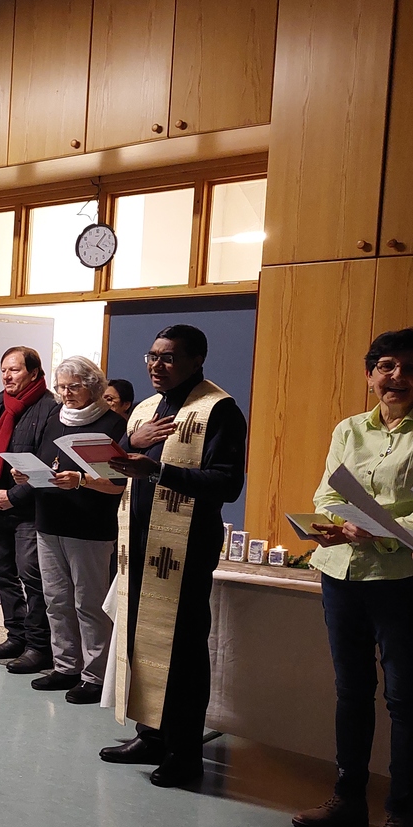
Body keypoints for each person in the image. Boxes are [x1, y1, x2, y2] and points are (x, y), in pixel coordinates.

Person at [294, 327, 413, 827]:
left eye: (409, 367)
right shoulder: (349, 429)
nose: (395, 376)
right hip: (341, 574)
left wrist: (378, 530)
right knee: (351, 691)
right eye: (385, 366)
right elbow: (327, 491)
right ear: (369, 374)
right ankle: (348, 800)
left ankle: (401, 815)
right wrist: (333, 524)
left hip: (405, 581)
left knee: (404, 697)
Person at [99, 324, 246, 790]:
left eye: (168, 357)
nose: (156, 365)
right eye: (152, 356)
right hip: (138, 542)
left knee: (180, 650)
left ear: (196, 360)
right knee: (140, 642)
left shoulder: (218, 409)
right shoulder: (145, 409)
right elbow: (114, 469)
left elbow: (227, 483)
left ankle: (184, 752)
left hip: (184, 547)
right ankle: (151, 735)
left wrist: (158, 470)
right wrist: (131, 446)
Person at [11, 356, 125, 704]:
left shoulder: (110, 424)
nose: (66, 394)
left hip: (88, 526)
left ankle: (95, 676)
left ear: (93, 386)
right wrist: (27, 474)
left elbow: (117, 484)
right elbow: (48, 463)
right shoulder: (54, 418)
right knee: (56, 600)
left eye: (73, 387)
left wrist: (82, 481)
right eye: (61, 387)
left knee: (88, 604)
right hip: (49, 520)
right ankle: (66, 666)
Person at [0, 346, 58, 672]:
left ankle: (38, 646)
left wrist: (13, 496)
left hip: (28, 510)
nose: (6, 376)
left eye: (14, 370)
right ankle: (15, 636)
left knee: (32, 578)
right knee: (3, 575)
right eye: (3, 369)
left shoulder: (51, 408)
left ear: (33, 373)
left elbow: (48, 465)